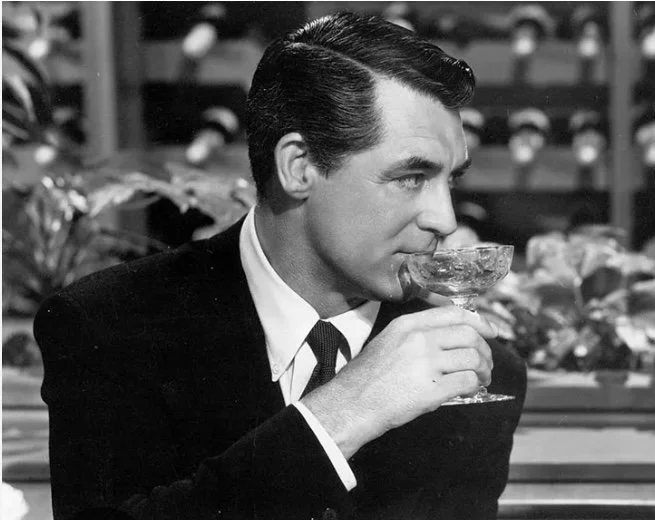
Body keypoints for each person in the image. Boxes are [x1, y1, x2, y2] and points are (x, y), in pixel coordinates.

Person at [34, 12, 526, 520]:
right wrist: (345, 411)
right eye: (411, 177)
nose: (444, 218)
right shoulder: (108, 326)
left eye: (452, 180)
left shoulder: (473, 372)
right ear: (299, 167)